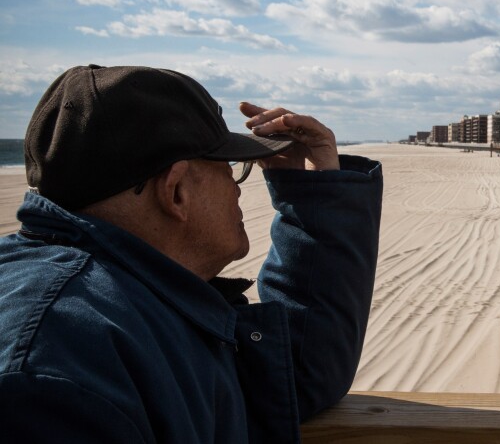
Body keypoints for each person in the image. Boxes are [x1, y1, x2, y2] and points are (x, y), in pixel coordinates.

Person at [0, 65, 383, 443]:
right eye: (229, 168)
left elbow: (284, 386)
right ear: (176, 191)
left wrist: (312, 192)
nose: (236, 188)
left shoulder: (133, 302)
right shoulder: (53, 372)